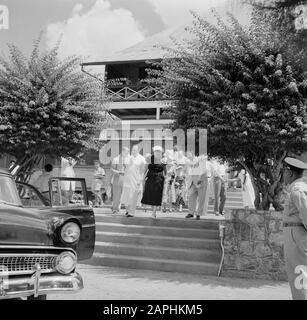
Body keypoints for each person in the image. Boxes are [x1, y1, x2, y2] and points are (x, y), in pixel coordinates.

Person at [282, 157, 307, 300]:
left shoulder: (298, 190)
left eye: (285, 171)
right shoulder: (296, 188)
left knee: (299, 274)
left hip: (296, 236)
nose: (283, 175)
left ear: (290, 173)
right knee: (296, 274)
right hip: (294, 234)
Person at [141, 146, 167, 218]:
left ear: (161, 152)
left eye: (159, 151)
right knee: (150, 195)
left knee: (156, 196)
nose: (158, 152)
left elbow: (165, 170)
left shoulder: (163, 159)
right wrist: (143, 178)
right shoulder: (149, 158)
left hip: (159, 179)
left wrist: (166, 178)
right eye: (156, 151)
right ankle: (153, 210)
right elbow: (146, 168)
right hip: (150, 179)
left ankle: (154, 212)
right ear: (154, 152)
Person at [121, 145, 146, 217]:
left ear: (138, 150)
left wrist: (140, 180)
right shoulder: (129, 158)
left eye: (135, 150)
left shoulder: (141, 159)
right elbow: (125, 166)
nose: (133, 151)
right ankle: (128, 210)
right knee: (127, 196)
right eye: (132, 150)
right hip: (128, 179)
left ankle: (131, 212)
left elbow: (142, 171)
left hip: (136, 180)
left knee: (133, 197)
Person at [186, 153, 211, 220]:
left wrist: (199, 178)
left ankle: (198, 214)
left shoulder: (201, 158)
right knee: (191, 197)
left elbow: (204, 170)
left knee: (201, 198)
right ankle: (191, 213)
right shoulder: (190, 160)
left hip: (201, 180)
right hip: (192, 180)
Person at [110, 147, 130, 214]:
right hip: (118, 178)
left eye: (128, 152)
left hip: (126, 179)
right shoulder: (116, 159)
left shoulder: (128, 159)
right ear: (123, 151)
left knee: (126, 195)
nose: (127, 154)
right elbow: (112, 169)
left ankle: (127, 210)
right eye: (126, 152)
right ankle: (115, 208)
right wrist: (119, 172)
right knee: (117, 194)